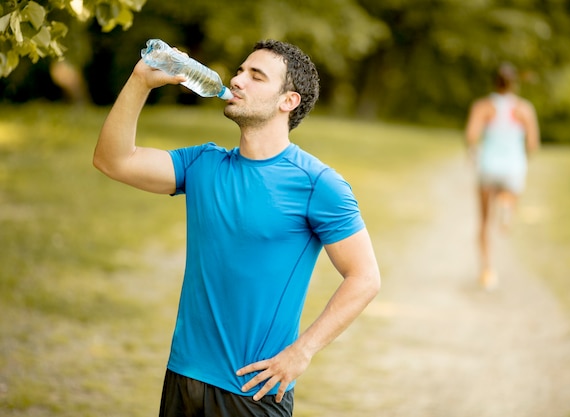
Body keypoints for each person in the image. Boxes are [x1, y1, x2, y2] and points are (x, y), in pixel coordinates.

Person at [93, 40, 380, 417]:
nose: (237, 80)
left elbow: (364, 277)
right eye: (240, 70)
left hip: (252, 391)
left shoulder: (317, 184)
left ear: (287, 101)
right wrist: (139, 82)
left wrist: (301, 352)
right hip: (183, 376)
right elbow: (112, 160)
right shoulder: (202, 164)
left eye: (255, 76)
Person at [464, 63, 540, 290]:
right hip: (513, 167)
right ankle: (506, 203)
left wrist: (472, 151)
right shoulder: (524, 108)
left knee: (484, 222)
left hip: (489, 167)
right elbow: (533, 144)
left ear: (494, 82)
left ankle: (487, 271)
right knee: (509, 197)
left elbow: (471, 136)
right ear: (514, 83)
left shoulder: (483, 106)